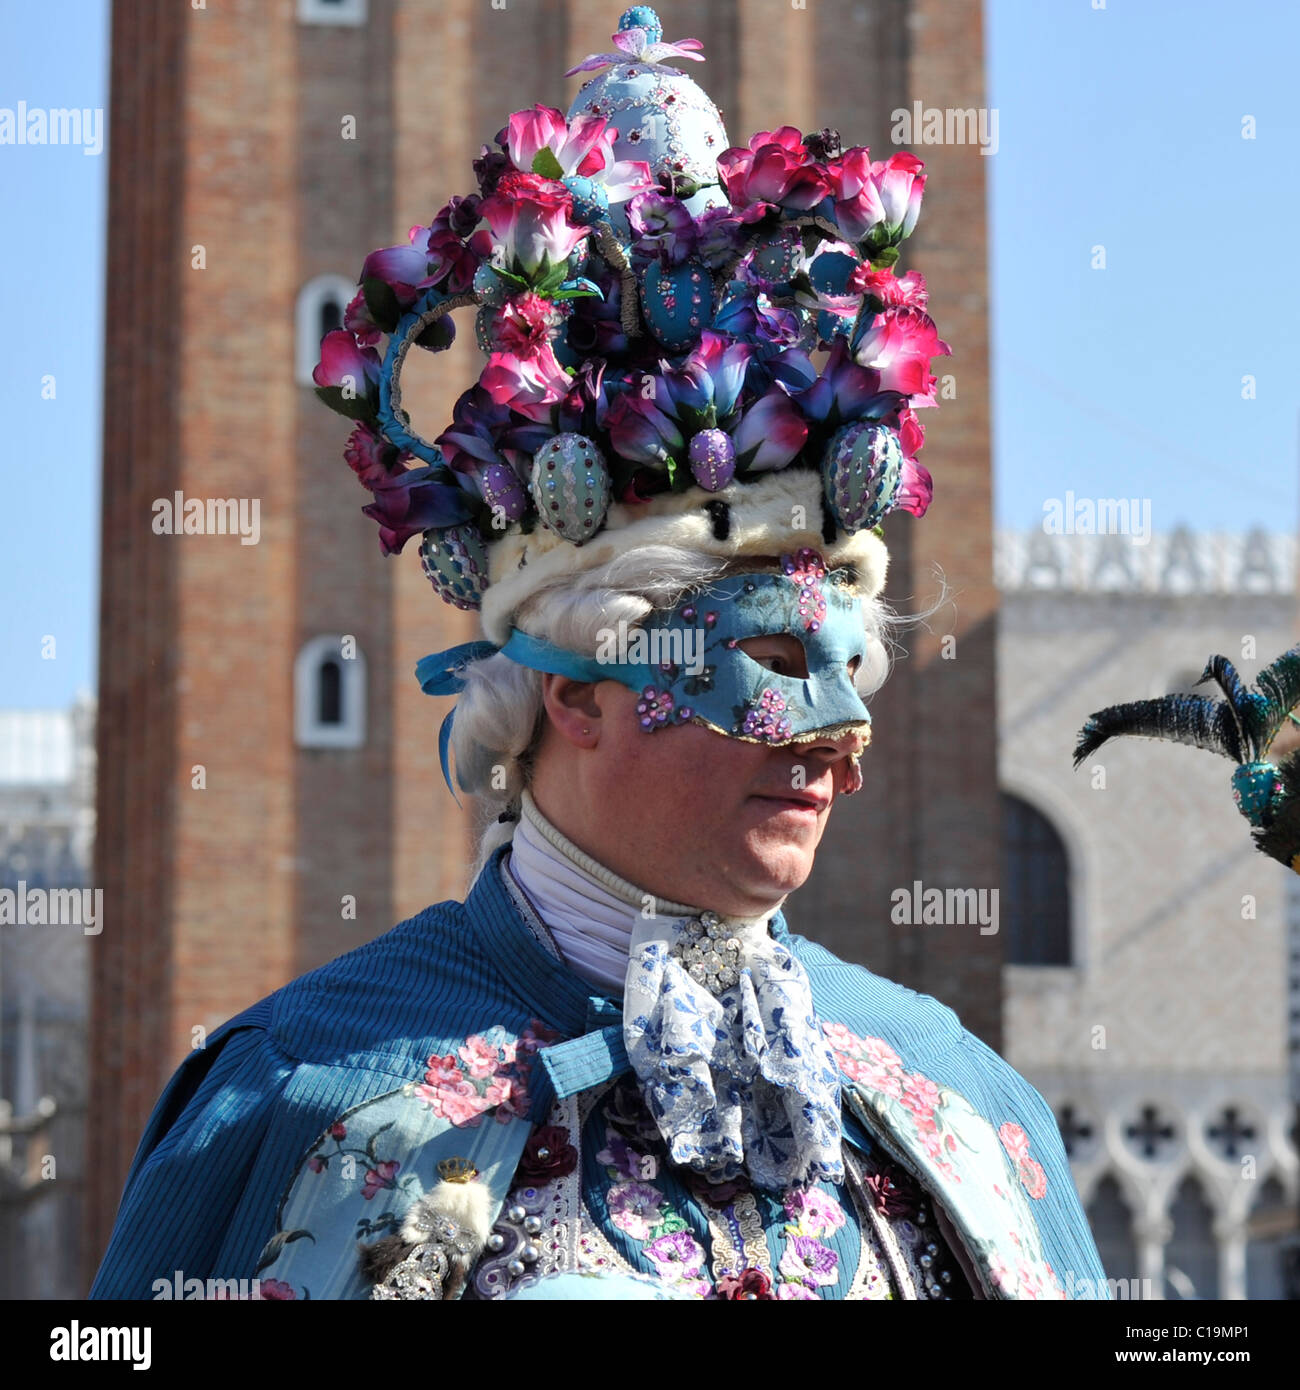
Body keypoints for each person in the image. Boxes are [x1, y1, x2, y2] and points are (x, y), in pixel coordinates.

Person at [89, 6, 1109, 1301]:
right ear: (572, 687)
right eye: (782, 655)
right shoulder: (297, 1094)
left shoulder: (964, 1104)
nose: (843, 734)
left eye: (856, 657)